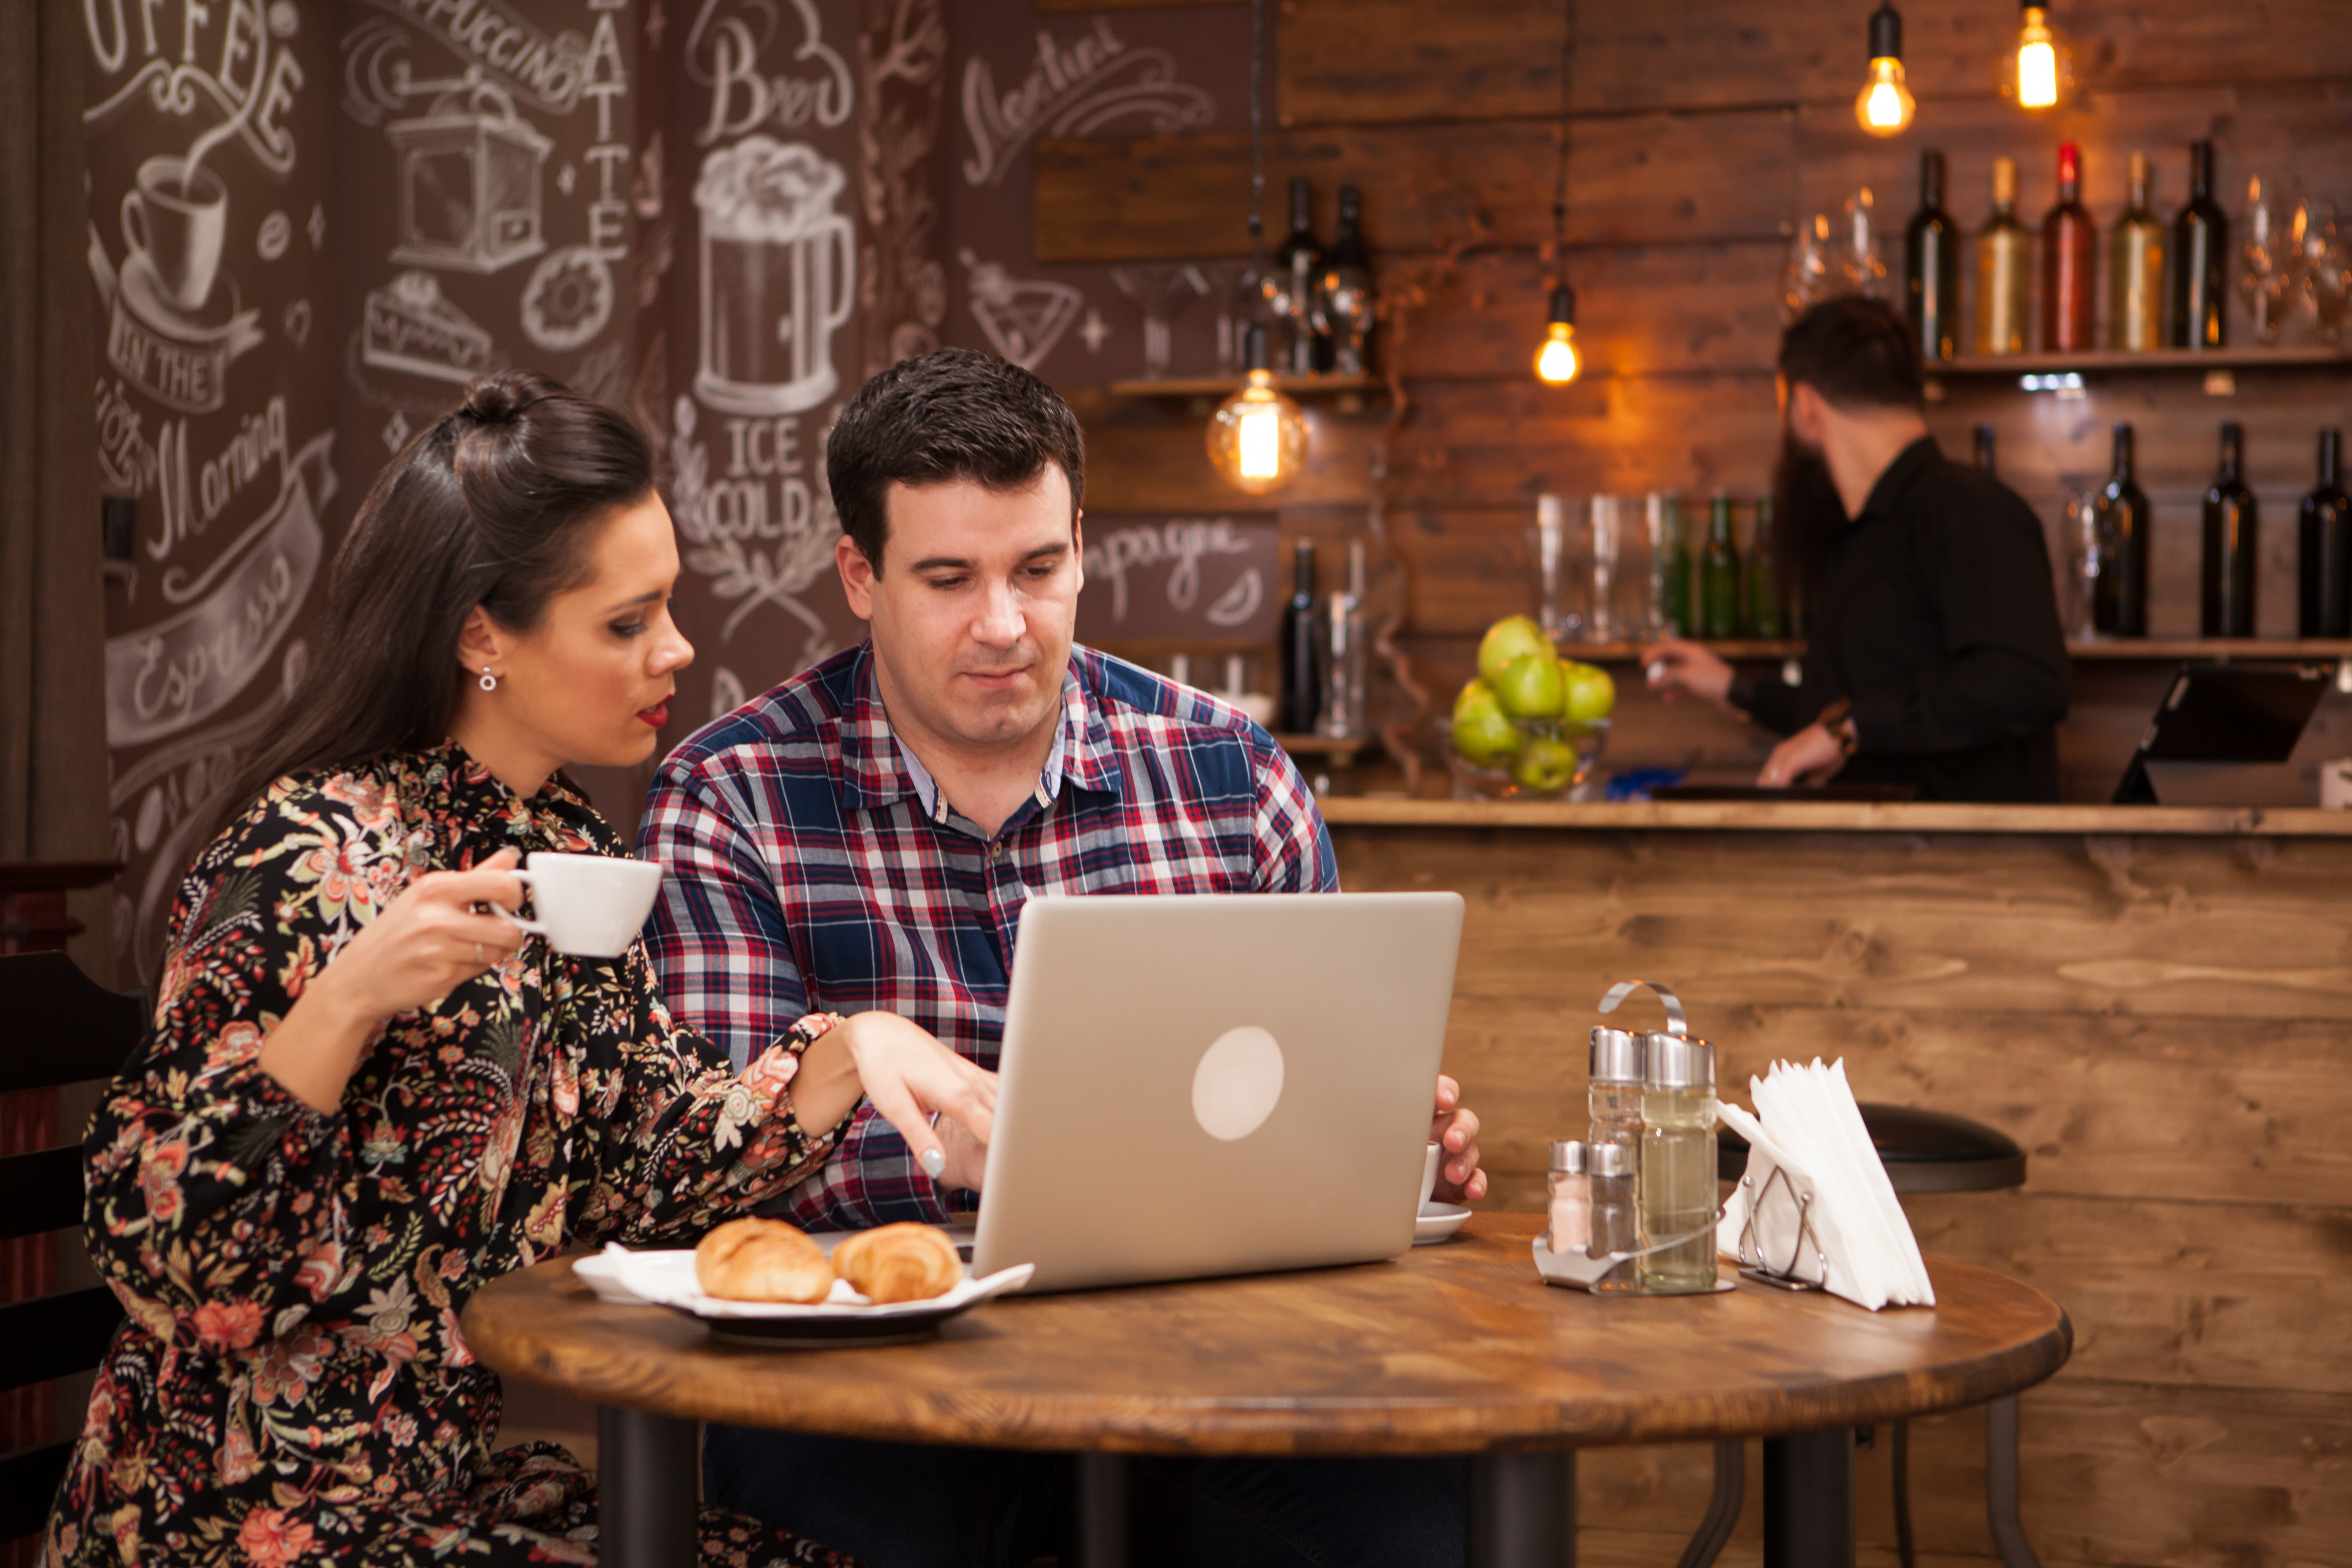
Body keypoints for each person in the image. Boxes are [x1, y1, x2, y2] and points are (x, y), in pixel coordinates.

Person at [49, 372, 991, 1568]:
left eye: (670, 606)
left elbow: (647, 1174)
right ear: (483, 633)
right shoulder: (311, 856)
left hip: (445, 1489)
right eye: (625, 620)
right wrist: (346, 1000)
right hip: (239, 1520)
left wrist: (852, 1046)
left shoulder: (566, 853)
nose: (676, 647)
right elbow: (162, 1262)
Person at [638, 348, 1484, 1567]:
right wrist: (987, 1159)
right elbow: (711, 1167)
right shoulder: (731, 797)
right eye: (947, 578)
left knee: (1432, 1529)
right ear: (858, 577)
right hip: (868, 1385)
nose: (1003, 624)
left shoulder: (1228, 775)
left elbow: (1293, 1109)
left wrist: (1376, 1149)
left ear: (1082, 547)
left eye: (1037, 569)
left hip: (1197, 1373)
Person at [1645, 296, 2070, 802]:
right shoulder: (1859, 537)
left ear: (1803, 407)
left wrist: (1849, 728)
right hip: (1866, 870)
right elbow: (1856, 715)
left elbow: (2026, 681)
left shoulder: (1965, 507)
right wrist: (1733, 687)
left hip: (1964, 874)